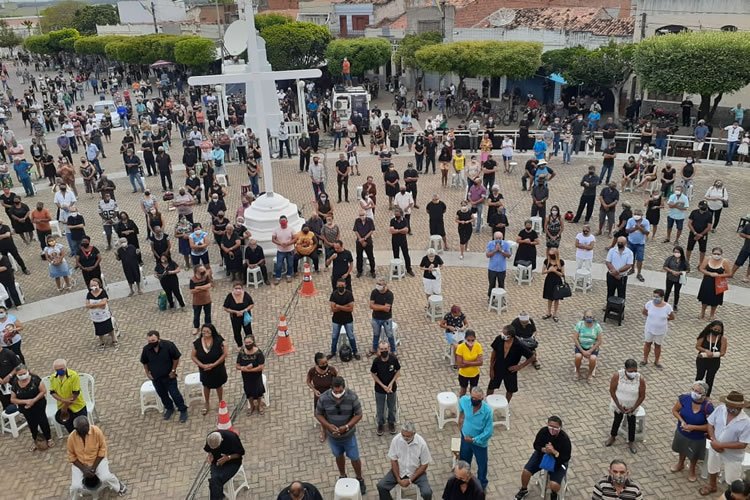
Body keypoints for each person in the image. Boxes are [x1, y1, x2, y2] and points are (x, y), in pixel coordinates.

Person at [315, 376, 367, 495]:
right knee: (338, 456)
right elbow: (318, 414)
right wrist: (328, 425)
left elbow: (358, 414)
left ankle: (360, 478)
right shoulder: (323, 398)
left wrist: (347, 426)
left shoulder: (352, 397)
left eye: (340, 391)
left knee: (354, 458)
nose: (338, 393)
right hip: (333, 437)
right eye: (335, 391)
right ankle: (342, 475)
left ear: (344, 387)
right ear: (331, 388)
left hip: (349, 436)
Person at [700, 391, 750, 496]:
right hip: (715, 447)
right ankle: (712, 486)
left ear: (740, 407)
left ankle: (731, 495)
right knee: (712, 467)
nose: (730, 409)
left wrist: (721, 445)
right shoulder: (720, 409)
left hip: (732, 456)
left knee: (732, 479)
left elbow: (743, 444)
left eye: (734, 407)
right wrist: (713, 440)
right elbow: (710, 423)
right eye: (729, 406)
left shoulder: (746, 422)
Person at [67, 416, 127, 497]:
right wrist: (83, 469)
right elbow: (71, 456)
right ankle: (73, 498)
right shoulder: (71, 438)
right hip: (80, 464)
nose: (86, 428)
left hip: (97, 460)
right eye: (83, 427)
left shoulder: (96, 431)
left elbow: (102, 449)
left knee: (105, 477)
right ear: (76, 429)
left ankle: (119, 486)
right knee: (75, 486)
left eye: (87, 425)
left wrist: (94, 467)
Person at [514, 416, 572, 500]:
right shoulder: (543, 432)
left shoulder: (564, 439)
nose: (552, 430)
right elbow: (536, 445)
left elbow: (566, 457)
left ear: (560, 427)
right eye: (550, 427)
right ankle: (523, 490)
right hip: (542, 455)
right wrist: (543, 449)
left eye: (556, 428)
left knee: (554, 485)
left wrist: (554, 452)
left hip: (558, 462)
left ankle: (554, 494)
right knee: (526, 471)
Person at [376, 422, 433, 500]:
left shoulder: (421, 443)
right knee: (381, 486)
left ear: (414, 433)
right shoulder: (396, 440)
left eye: (408, 436)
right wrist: (398, 479)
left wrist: (410, 480)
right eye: (403, 435)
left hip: (416, 472)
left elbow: (424, 465)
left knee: (427, 493)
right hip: (399, 470)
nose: (405, 438)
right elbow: (394, 460)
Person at [140, 330, 188, 422]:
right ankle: (169, 408)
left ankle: (182, 409)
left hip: (169, 376)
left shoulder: (168, 345)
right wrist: (147, 373)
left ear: (159, 338)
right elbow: (145, 362)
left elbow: (176, 358)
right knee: (162, 395)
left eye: (153, 341)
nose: (151, 343)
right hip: (156, 378)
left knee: (175, 394)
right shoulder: (146, 349)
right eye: (149, 341)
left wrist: (173, 370)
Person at [671, 381, 714, 483]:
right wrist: (682, 421)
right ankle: (680, 464)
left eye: (698, 392)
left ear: (704, 394)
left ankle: (692, 470)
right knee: (682, 448)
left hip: (697, 436)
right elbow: (675, 411)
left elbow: (710, 426)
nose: (694, 393)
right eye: (693, 390)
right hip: (682, 431)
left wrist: (693, 427)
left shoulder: (708, 407)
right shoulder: (684, 399)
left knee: (694, 454)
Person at [10, 363, 55, 451]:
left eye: (24, 373)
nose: (22, 376)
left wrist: (33, 400)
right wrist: (25, 401)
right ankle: (35, 439)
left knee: (43, 421)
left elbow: (43, 391)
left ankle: (48, 438)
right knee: (32, 424)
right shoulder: (15, 383)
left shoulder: (35, 379)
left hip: (38, 405)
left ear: (27, 371)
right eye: (20, 375)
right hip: (25, 408)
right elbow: (13, 399)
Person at [606, 359, 646, 454]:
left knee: (631, 422)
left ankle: (631, 441)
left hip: (632, 406)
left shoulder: (640, 379)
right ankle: (612, 436)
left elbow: (642, 395)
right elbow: (612, 391)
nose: (633, 373)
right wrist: (619, 406)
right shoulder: (618, 376)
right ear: (625, 369)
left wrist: (633, 408)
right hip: (619, 404)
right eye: (631, 371)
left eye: (635, 371)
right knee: (617, 420)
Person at [458, 386, 493, 489]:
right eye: (472, 398)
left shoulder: (487, 411)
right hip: (465, 439)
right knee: (464, 461)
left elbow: (489, 431)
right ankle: (463, 479)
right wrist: (460, 418)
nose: (474, 400)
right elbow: (461, 404)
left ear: (482, 399)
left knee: (482, 465)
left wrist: (474, 439)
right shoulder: (465, 400)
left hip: (479, 443)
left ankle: (481, 485)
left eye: (476, 399)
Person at [191, 324, 228, 416]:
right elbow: (193, 356)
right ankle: (206, 403)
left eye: (207, 331)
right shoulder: (197, 343)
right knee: (206, 385)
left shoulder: (219, 341)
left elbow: (224, 354)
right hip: (204, 369)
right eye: (203, 331)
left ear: (212, 331)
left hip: (217, 368)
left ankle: (220, 401)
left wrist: (214, 364)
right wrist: (202, 365)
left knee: (218, 385)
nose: (205, 333)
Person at [204, 430, 245, 500]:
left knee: (215, 481)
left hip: (232, 462)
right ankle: (218, 495)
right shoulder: (210, 437)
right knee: (215, 480)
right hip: (217, 461)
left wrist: (228, 458)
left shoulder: (232, 438)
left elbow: (240, 454)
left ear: (222, 440)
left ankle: (218, 495)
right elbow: (209, 450)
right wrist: (210, 455)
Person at [49, 359, 87, 433]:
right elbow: (53, 392)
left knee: (82, 430)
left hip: (77, 407)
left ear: (66, 367)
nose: (60, 371)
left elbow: (75, 393)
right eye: (57, 370)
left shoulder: (74, 375)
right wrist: (63, 401)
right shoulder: (53, 377)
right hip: (62, 407)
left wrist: (65, 406)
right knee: (71, 431)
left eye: (62, 369)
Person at [371, 341, 401, 436]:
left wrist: (391, 384)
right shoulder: (376, 361)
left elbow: (398, 371)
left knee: (391, 407)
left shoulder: (393, 359)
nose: (384, 351)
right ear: (379, 350)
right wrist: (382, 386)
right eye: (382, 349)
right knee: (380, 408)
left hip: (391, 388)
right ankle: (380, 424)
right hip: (379, 389)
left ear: (389, 349)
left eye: (385, 349)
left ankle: (391, 422)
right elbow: (373, 374)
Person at [308, 353, 339, 442]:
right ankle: (324, 431)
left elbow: (338, 381)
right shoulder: (312, 371)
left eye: (326, 362)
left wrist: (334, 391)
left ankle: (333, 427)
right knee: (320, 415)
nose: (325, 365)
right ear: (317, 364)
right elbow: (308, 382)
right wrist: (314, 390)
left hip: (331, 396)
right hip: (319, 398)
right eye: (322, 364)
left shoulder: (332, 370)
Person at [641, 288, 675, 368]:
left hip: (661, 330)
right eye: (654, 296)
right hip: (649, 328)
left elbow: (672, 317)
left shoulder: (667, 307)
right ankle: (645, 359)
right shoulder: (649, 304)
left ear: (662, 297)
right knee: (647, 343)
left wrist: (663, 320)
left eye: (657, 297)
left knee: (658, 345)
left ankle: (656, 361)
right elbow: (644, 312)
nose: (655, 298)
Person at [329, 277, 360, 360]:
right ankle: (332, 352)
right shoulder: (334, 294)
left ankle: (355, 351)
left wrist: (338, 306)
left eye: (342, 285)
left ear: (345, 285)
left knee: (351, 336)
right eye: (339, 285)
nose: (340, 287)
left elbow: (351, 309)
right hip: (336, 320)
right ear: (336, 285)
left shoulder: (349, 294)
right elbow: (333, 309)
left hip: (348, 319)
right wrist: (345, 306)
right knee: (334, 336)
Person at [698, 247, 731, 321]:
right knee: (704, 297)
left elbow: (729, 273)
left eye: (718, 254)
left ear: (721, 254)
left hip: (718, 282)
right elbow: (701, 268)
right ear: (712, 253)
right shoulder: (707, 259)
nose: (716, 255)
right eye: (715, 254)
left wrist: (718, 275)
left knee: (715, 299)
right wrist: (710, 273)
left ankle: (712, 314)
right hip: (707, 281)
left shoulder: (724, 262)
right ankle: (702, 312)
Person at [696, 321, 727, 397]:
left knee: (710, 379)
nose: (716, 331)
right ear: (711, 328)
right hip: (702, 360)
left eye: (718, 330)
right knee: (699, 377)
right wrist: (706, 351)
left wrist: (713, 354)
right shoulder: (704, 336)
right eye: (715, 329)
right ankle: (696, 392)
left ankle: (707, 395)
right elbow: (698, 346)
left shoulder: (723, 339)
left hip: (714, 362)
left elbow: (722, 353)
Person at [236, 334, 265, 415]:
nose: (248, 344)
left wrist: (250, 370)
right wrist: (243, 368)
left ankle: (260, 405)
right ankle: (251, 406)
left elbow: (261, 367)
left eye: (250, 342)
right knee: (248, 391)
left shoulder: (258, 353)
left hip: (256, 377)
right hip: (246, 377)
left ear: (253, 342)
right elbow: (237, 365)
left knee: (259, 391)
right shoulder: (242, 352)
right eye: (246, 343)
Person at [85, 278, 117, 350]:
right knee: (99, 330)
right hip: (95, 316)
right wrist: (98, 305)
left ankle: (114, 340)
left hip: (104, 315)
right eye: (91, 285)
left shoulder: (103, 292)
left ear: (98, 285)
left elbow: (103, 304)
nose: (93, 287)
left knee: (109, 328)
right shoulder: (89, 294)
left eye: (95, 285)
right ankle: (102, 342)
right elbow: (87, 305)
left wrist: (93, 305)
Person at [370, 277, 396, 356]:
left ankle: (393, 350)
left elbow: (387, 309)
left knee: (390, 335)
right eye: (377, 284)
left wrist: (376, 306)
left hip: (386, 319)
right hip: (375, 318)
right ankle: (374, 349)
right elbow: (371, 306)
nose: (378, 286)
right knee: (376, 334)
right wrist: (382, 307)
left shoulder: (389, 294)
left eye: (380, 284)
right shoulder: (374, 292)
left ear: (385, 285)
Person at [223, 282, 254, 348]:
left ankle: (251, 344)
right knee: (237, 332)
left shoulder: (245, 295)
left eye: (239, 288)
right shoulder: (229, 296)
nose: (238, 290)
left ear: (242, 289)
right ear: (233, 289)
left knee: (248, 331)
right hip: (235, 318)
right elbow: (225, 308)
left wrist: (244, 310)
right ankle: (240, 345)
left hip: (245, 317)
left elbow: (251, 304)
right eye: (236, 288)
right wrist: (235, 312)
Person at [574, 311, 603, 381]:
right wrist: (582, 351)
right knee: (578, 356)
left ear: (593, 318)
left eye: (590, 317)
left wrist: (590, 351)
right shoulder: (579, 324)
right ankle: (577, 371)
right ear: (584, 317)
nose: (589, 318)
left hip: (592, 347)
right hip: (581, 346)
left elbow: (599, 341)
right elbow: (575, 338)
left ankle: (590, 374)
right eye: (587, 317)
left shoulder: (597, 327)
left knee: (593, 358)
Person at [455, 330, 483, 397]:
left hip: (475, 374)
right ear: (465, 339)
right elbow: (460, 365)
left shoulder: (478, 346)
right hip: (463, 374)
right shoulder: (460, 347)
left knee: (473, 391)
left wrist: (466, 362)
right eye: (468, 340)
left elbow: (480, 362)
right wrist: (474, 362)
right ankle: (461, 403)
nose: (470, 342)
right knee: (463, 390)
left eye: (472, 340)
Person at [625, 208, 650, 282]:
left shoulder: (646, 222)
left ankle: (639, 273)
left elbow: (647, 232)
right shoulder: (630, 220)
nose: (636, 216)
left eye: (638, 214)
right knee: (631, 257)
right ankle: (632, 269)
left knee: (639, 259)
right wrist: (635, 228)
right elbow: (627, 230)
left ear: (642, 215)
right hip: (631, 242)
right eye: (635, 214)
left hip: (640, 244)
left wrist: (640, 228)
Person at [605, 237, 634, 301]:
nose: (620, 244)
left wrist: (618, 271)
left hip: (622, 277)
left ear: (625, 243)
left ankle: (620, 308)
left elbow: (629, 265)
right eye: (618, 242)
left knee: (621, 294)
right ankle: (609, 306)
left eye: (621, 243)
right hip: (611, 275)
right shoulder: (612, 250)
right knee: (610, 292)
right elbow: (608, 262)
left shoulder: (629, 253)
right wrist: (614, 273)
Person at [686, 200, 713, 265]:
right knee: (689, 248)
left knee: (702, 250)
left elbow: (709, 227)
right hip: (693, 233)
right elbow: (689, 224)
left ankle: (701, 264)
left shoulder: (709, 214)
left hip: (703, 235)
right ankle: (686, 262)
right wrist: (695, 233)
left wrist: (700, 234)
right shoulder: (694, 212)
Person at [541, 249, 565, 322]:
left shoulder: (560, 262)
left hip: (557, 281)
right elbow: (543, 272)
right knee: (549, 297)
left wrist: (555, 271)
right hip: (549, 281)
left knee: (556, 298)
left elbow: (562, 274)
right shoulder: (547, 261)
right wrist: (549, 270)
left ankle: (555, 313)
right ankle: (548, 312)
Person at [272, 215, 296, 284]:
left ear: (287, 221)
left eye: (284, 221)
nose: (283, 222)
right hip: (280, 250)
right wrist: (280, 243)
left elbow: (295, 238)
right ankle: (278, 277)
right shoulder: (276, 230)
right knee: (279, 265)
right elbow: (273, 239)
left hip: (290, 250)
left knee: (290, 264)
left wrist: (289, 243)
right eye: (281, 221)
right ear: (279, 222)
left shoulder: (291, 229)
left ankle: (289, 275)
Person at [390, 208, 414, 275]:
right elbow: (391, 231)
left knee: (406, 254)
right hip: (395, 240)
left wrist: (396, 230)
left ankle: (409, 269)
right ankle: (396, 269)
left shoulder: (405, 220)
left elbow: (406, 230)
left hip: (403, 240)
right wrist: (401, 230)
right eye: (395, 214)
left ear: (400, 214)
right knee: (396, 255)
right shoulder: (392, 221)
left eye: (397, 214)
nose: (396, 216)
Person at [189, 265, 212, 334]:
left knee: (208, 315)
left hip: (207, 299)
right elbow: (192, 291)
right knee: (196, 315)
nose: (204, 271)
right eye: (202, 270)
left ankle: (208, 327)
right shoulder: (192, 280)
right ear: (197, 271)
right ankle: (196, 327)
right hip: (197, 301)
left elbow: (208, 285)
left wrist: (198, 288)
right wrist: (203, 288)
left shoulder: (206, 277)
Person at [353, 210, 376, 278]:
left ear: (365, 215)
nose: (362, 217)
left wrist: (365, 238)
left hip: (368, 241)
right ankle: (359, 271)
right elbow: (356, 230)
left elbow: (371, 231)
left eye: (363, 215)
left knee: (370, 256)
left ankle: (372, 271)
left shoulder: (370, 221)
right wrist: (360, 239)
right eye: (360, 215)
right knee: (359, 257)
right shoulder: (357, 221)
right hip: (359, 241)